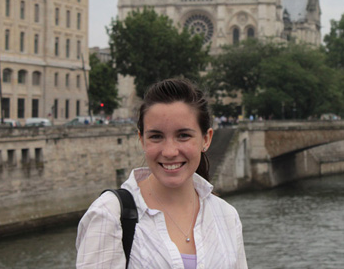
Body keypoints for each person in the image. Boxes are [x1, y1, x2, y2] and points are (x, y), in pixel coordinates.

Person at [76, 78, 248, 268]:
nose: (169, 151)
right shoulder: (109, 215)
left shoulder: (227, 216)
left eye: (183, 135)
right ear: (142, 140)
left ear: (206, 139)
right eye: (156, 136)